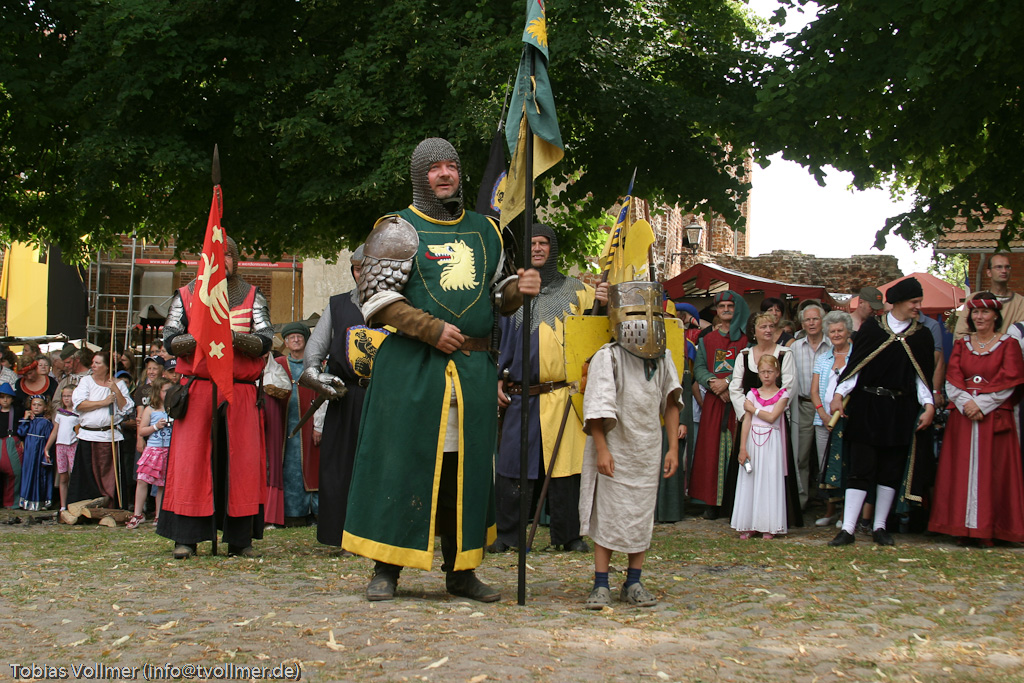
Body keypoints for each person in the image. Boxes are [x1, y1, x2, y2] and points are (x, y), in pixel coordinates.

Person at [342, 137, 540, 602]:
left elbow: (498, 297)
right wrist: (430, 329)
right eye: (435, 168)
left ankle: (462, 571)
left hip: (472, 372)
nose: (445, 174)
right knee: (401, 465)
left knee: (464, 473)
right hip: (411, 370)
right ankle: (386, 568)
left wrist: (521, 288)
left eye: (451, 165)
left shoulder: (487, 231)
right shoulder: (397, 228)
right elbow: (377, 300)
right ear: (421, 176)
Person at [158, 235, 274, 559]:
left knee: (241, 464)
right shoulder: (186, 295)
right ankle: (187, 537)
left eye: (228, 256)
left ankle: (239, 539)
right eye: (215, 255)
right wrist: (201, 336)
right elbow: (170, 340)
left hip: (239, 391)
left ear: (236, 260)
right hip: (198, 389)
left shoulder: (251, 295)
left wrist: (231, 336)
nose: (222, 262)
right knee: (192, 464)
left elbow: (265, 339)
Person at [493, 225, 605, 553]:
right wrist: (495, 377)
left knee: (566, 469)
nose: (538, 249)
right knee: (513, 466)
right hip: (519, 394)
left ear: (552, 249)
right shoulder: (509, 292)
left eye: (543, 243)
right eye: (532, 244)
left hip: (562, 393)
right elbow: (495, 337)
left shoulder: (579, 291)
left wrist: (604, 302)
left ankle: (569, 536)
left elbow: (597, 333)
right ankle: (508, 535)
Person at [579, 281, 682, 609]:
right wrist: (602, 449)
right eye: (636, 312)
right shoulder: (607, 357)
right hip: (615, 448)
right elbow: (597, 407)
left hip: (647, 449)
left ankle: (633, 581)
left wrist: (672, 448)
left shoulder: (663, 358)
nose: (644, 321)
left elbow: (671, 402)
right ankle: (601, 584)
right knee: (609, 515)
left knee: (640, 515)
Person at [829, 277, 935, 546]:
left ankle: (879, 527)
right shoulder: (873, 329)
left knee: (890, 469)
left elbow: (921, 378)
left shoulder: (921, 335)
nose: (918, 307)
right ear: (898, 302)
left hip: (899, 410)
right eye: (914, 302)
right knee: (861, 467)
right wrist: (839, 394)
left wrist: (929, 405)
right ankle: (848, 529)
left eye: (919, 301)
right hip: (867, 406)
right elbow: (856, 366)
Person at [929, 294, 1024, 546]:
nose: (979, 317)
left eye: (985, 312)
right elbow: (953, 376)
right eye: (975, 312)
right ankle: (962, 527)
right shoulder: (962, 344)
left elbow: (1011, 379)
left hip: (994, 417)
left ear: (995, 316)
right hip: (964, 418)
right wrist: (966, 403)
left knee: (994, 471)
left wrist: (981, 404)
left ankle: (990, 528)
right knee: (960, 470)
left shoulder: (1008, 344)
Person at [301, 245, 373, 548]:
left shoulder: (398, 306)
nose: (362, 273)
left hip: (384, 399)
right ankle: (341, 535)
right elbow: (314, 351)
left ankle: (377, 537)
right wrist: (318, 376)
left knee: (379, 467)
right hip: (347, 397)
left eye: (368, 267)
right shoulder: (338, 305)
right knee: (340, 469)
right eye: (357, 268)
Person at [726, 313, 801, 525]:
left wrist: (771, 411)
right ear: (754, 331)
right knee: (749, 466)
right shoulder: (744, 355)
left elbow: (789, 386)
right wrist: (746, 413)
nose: (768, 330)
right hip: (750, 420)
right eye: (763, 327)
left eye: (771, 326)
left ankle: (773, 517)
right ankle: (747, 516)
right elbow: (735, 387)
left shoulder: (785, 354)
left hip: (776, 421)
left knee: (773, 469)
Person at [690, 291, 750, 519]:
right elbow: (699, 368)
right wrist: (713, 383)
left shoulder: (746, 339)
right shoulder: (707, 340)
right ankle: (711, 502)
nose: (726, 309)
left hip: (739, 402)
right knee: (711, 450)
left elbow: (750, 365)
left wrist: (728, 384)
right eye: (722, 306)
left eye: (730, 306)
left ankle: (736, 502)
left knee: (739, 447)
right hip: (714, 402)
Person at [732, 355, 790, 540]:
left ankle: (768, 524)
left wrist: (753, 409)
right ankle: (749, 523)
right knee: (751, 480)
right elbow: (747, 422)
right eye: (763, 372)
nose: (766, 375)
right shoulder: (752, 394)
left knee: (769, 480)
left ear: (777, 373)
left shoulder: (783, 395)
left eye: (770, 372)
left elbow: (772, 417)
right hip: (753, 440)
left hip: (771, 441)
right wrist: (743, 447)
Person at [67, 351, 134, 506]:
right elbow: (80, 404)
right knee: (88, 476)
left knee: (111, 475)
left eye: (97, 363)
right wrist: (103, 402)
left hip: (110, 436)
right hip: (88, 436)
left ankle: (111, 505)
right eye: (93, 362)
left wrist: (116, 390)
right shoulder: (86, 381)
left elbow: (126, 408)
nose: (93, 366)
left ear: (107, 367)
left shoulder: (118, 384)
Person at [809, 310, 854, 527]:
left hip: (848, 421)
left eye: (840, 330)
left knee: (847, 465)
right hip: (823, 422)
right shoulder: (823, 358)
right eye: (832, 331)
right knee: (825, 466)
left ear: (848, 332)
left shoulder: (856, 357)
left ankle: (847, 514)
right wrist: (824, 415)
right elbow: (814, 391)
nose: (836, 334)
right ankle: (829, 511)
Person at [275, 321, 320, 525]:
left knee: (313, 466)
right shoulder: (278, 364)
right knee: (288, 469)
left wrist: (319, 426)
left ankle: (315, 512)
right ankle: (291, 513)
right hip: (285, 426)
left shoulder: (316, 364)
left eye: (299, 337)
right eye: (291, 338)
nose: (295, 340)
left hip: (310, 425)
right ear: (285, 342)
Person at [788, 302, 830, 510]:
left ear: (823, 321)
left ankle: (830, 503)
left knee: (827, 457)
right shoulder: (795, 347)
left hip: (827, 409)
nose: (811, 323)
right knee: (801, 456)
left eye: (815, 319)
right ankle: (801, 501)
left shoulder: (832, 345)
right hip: (803, 406)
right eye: (807, 320)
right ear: (802, 324)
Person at [127, 379, 171, 529]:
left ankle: (159, 515)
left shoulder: (173, 409)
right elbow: (142, 431)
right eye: (165, 391)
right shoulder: (150, 409)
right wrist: (156, 426)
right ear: (158, 392)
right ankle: (137, 514)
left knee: (162, 484)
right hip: (153, 449)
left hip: (168, 450)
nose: (168, 394)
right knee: (142, 480)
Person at [955, 253, 1024, 335]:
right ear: (989, 272)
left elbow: (1019, 335)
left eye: (1007, 267)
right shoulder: (974, 299)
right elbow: (960, 333)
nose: (1004, 271)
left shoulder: (1020, 302)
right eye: (999, 267)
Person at [44, 386, 78, 516]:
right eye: (64, 396)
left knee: (74, 474)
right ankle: (63, 505)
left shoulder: (78, 413)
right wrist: (47, 447)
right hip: (60, 446)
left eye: (69, 396)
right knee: (63, 476)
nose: (67, 399)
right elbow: (55, 432)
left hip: (73, 445)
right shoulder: (60, 414)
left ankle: (74, 503)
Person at [16, 396, 54, 510]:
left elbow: (49, 439)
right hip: (29, 453)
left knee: (38, 475)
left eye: (39, 405)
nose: (36, 407)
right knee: (27, 474)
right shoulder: (29, 420)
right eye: (34, 405)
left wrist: (46, 454)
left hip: (39, 452)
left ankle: (38, 501)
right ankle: (26, 501)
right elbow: (21, 433)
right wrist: (25, 418)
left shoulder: (46, 423)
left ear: (45, 407)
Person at [0, 383, 20, 507]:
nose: (5, 400)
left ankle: (11, 502)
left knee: (15, 472)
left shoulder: (17, 412)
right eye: (2, 397)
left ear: (12, 399)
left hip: (11, 442)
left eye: (8, 397)